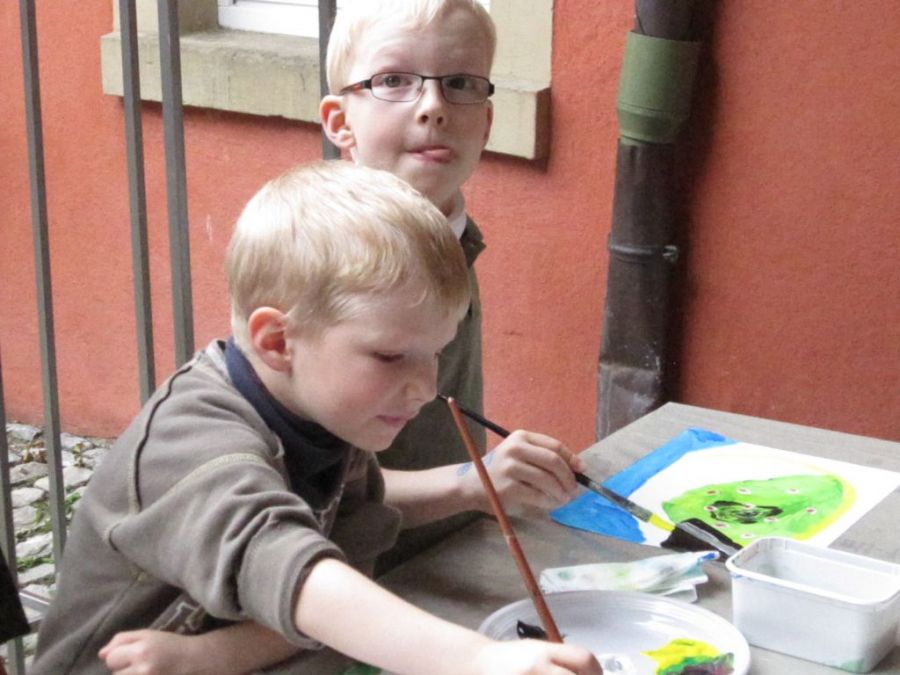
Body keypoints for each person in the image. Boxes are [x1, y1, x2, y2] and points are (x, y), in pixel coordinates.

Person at [31, 161, 600, 675]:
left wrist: (213, 656)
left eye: (436, 353)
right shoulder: (191, 441)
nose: (426, 388)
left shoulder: (323, 419)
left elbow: (338, 584)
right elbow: (288, 569)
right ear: (278, 341)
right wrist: (477, 660)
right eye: (390, 356)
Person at [318, 0, 498, 568]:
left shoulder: (451, 235)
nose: (433, 107)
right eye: (393, 81)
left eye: (460, 83)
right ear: (340, 123)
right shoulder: (323, 269)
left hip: (449, 554)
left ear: (487, 122)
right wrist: (475, 483)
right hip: (355, 585)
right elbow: (312, 490)